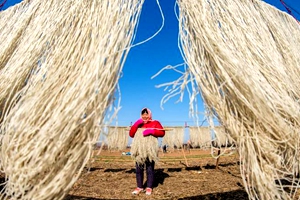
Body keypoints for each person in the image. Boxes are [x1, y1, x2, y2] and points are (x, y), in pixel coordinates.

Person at [129, 107, 165, 195]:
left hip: (150, 150)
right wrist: (136, 124)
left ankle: (149, 187)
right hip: (139, 150)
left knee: (149, 169)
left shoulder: (155, 122)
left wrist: (152, 131)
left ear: (149, 114)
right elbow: (131, 134)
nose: (145, 116)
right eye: (143, 114)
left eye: (146, 114)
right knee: (138, 169)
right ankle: (139, 187)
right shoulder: (139, 123)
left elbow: (162, 133)